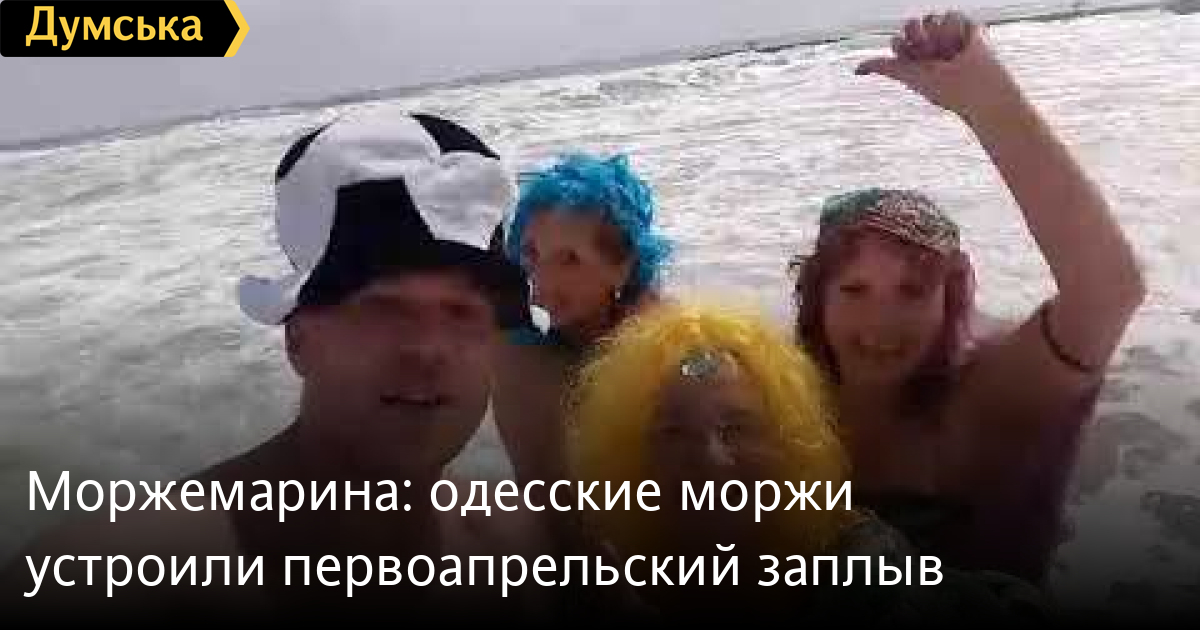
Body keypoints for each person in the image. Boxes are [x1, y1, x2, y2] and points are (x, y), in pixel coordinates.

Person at [0, 111, 551, 621]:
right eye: (384, 308)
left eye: (461, 312)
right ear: (298, 340)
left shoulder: (516, 547)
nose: (428, 349)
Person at [789, 11, 1146, 583]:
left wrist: (986, 100)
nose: (881, 321)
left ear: (951, 300)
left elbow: (1109, 289)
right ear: (818, 299)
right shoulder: (781, 402)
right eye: (854, 290)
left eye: (912, 291)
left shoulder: (983, 399)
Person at [564, 301, 1051, 622]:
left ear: (788, 443)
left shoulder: (860, 578)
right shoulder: (619, 583)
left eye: (738, 428)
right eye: (672, 433)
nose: (710, 460)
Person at [491, 152, 674, 536]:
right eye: (532, 254)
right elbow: (551, 513)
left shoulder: (672, 347)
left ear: (623, 266)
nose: (542, 280)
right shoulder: (520, 358)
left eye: (569, 260)